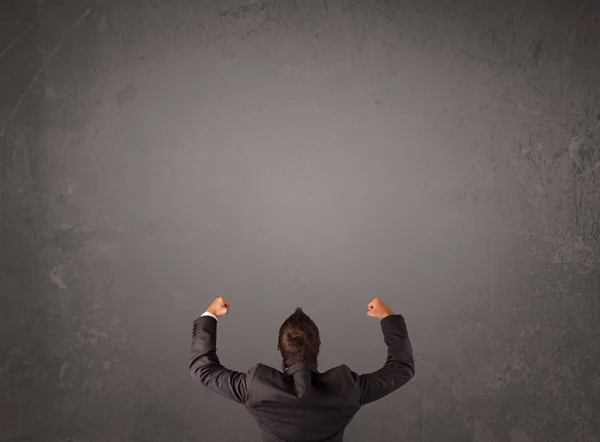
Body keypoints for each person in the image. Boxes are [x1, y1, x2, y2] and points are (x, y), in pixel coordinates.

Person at [189, 297, 415, 442]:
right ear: (318, 349)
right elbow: (401, 368)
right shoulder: (348, 388)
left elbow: (203, 368)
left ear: (280, 349)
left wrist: (210, 315)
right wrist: (388, 317)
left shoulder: (256, 387)